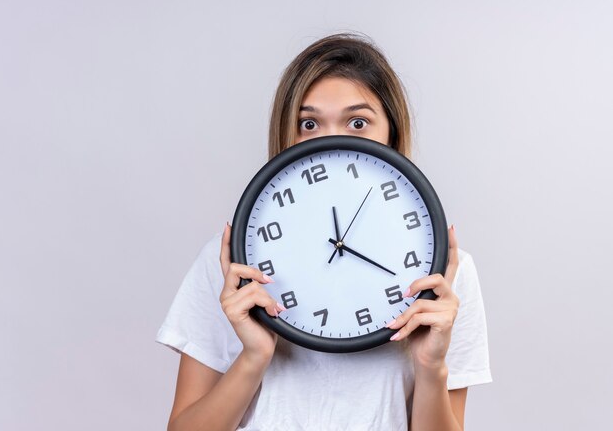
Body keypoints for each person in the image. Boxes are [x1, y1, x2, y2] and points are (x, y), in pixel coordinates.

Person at [156, 33, 492, 431]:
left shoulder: (445, 276)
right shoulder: (231, 266)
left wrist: (430, 364)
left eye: (358, 122)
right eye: (309, 123)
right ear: (287, 136)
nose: (333, 141)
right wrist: (255, 355)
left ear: (392, 134)